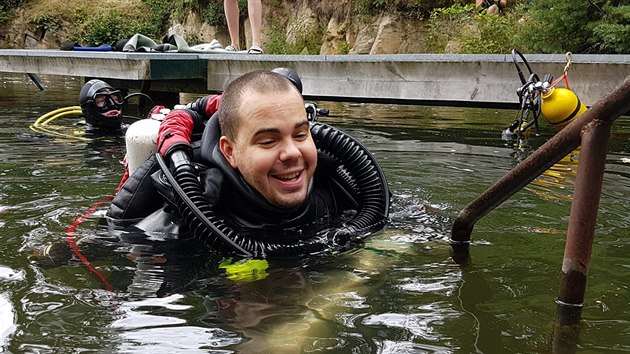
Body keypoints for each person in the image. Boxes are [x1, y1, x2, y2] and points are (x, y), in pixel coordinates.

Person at [106, 69, 390, 257]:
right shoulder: (188, 223)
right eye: (268, 141)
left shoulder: (337, 188)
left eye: (301, 134)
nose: (292, 153)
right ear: (230, 152)